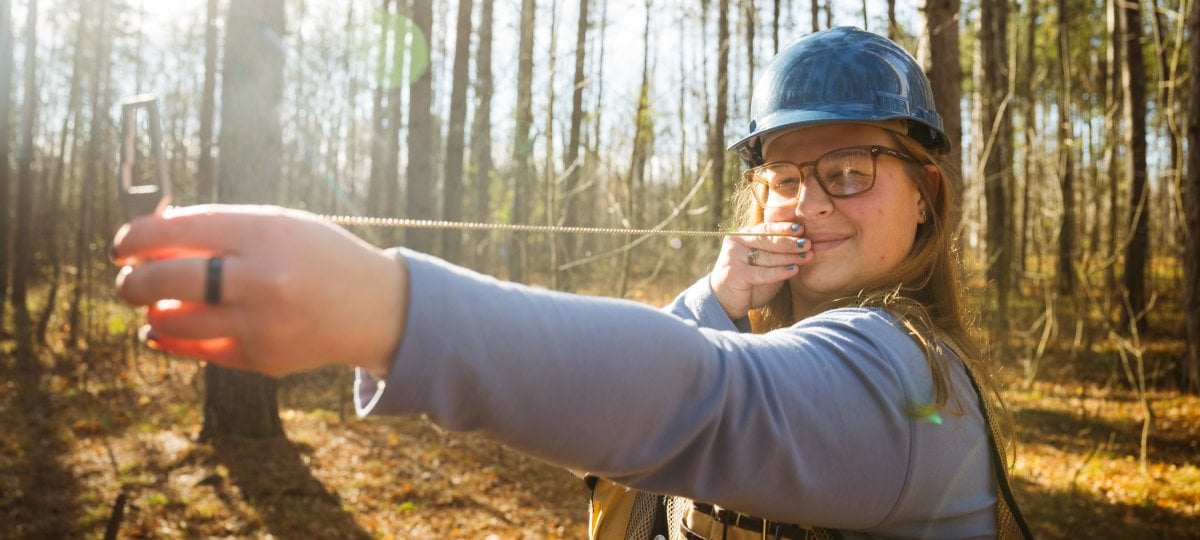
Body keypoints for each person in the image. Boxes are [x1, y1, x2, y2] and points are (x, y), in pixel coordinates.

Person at [112, 27, 1030, 540]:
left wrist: (384, 310)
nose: (811, 203)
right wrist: (712, 301)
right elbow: (645, 465)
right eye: (787, 176)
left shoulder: (909, 382)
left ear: (925, 194)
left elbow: (704, 404)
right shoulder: (770, 336)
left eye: (853, 169)